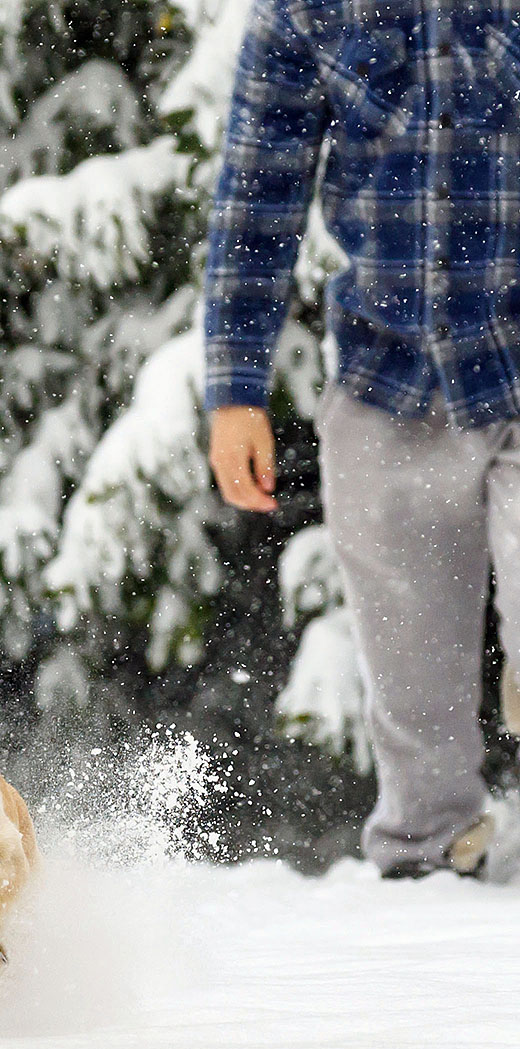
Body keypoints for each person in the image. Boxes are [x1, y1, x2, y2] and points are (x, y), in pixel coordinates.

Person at [203, 0, 520, 879]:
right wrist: (235, 390)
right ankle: (429, 868)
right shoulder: (304, 11)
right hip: (389, 380)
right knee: (414, 696)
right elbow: (259, 191)